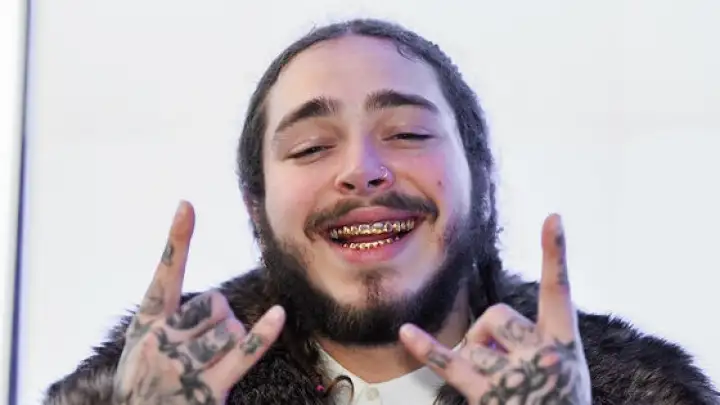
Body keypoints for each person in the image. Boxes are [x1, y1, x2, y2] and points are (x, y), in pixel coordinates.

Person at [44, 18, 718, 405]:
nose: (362, 168)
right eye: (311, 147)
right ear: (256, 206)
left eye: (408, 133)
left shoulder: (640, 389)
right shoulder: (149, 386)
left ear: (481, 178)